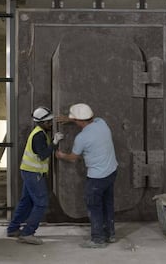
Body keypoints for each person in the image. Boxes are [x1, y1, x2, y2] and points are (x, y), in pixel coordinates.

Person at [56, 103, 118, 248]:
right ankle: (110, 234)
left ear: (79, 121)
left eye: (75, 120)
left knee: (94, 207)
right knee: (107, 204)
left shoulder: (82, 138)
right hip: (112, 172)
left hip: (97, 178)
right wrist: (71, 119)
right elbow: (90, 119)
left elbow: (73, 157)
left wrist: (61, 155)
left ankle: (97, 239)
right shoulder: (102, 123)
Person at [6, 106, 64, 245]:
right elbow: (43, 155)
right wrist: (55, 142)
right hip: (33, 173)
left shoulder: (40, 132)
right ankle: (27, 233)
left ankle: (13, 229)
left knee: (26, 201)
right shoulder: (39, 135)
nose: (51, 124)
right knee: (41, 203)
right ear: (42, 122)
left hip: (28, 171)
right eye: (49, 122)